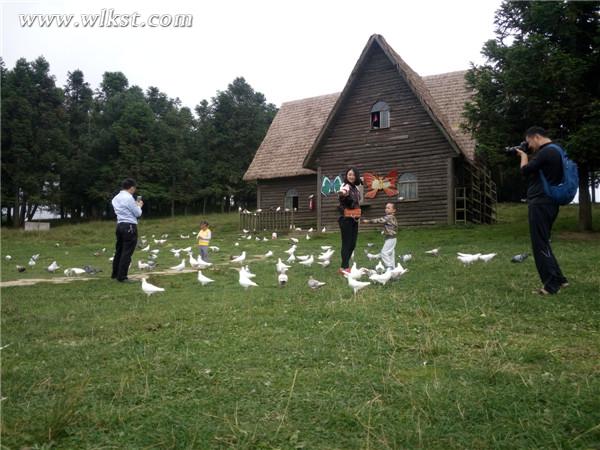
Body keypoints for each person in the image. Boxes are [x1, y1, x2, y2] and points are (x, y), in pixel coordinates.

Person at [516, 126, 568, 295]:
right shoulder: (557, 150)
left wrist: (524, 156)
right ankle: (559, 280)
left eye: (529, 142)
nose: (529, 146)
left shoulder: (546, 152)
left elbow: (525, 171)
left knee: (539, 244)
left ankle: (550, 286)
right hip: (550, 202)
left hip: (540, 202)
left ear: (536, 137)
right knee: (544, 241)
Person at [111, 178, 143, 283]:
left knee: (119, 250)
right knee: (127, 252)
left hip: (120, 225)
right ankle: (122, 276)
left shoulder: (115, 198)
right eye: (134, 188)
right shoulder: (129, 198)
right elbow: (137, 213)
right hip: (129, 225)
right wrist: (139, 206)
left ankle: (115, 273)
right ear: (132, 188)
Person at [338, 167, 362, 274]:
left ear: (356, 176)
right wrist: (342, 193)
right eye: (349, 174)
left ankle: (345, 266)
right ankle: (344, 267)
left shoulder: (356, 188)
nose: (351, 176)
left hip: (354, 219)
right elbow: (343, 192)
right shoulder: (346, 186)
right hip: (346, 219)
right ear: (346, 176)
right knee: (347, 243)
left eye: (352, 174)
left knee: (353, 244)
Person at [362, 202, 398, 270]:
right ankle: (393, 271)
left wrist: (368, 221)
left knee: (384, 253)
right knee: (390, 254)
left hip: (391, 238)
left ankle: (389, 267)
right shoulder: (391, 217)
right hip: (391, 238)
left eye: (388, 208)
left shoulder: (389, 217)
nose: (386, 209)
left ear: (394, 210)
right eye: (386, 208)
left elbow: (379, 220)